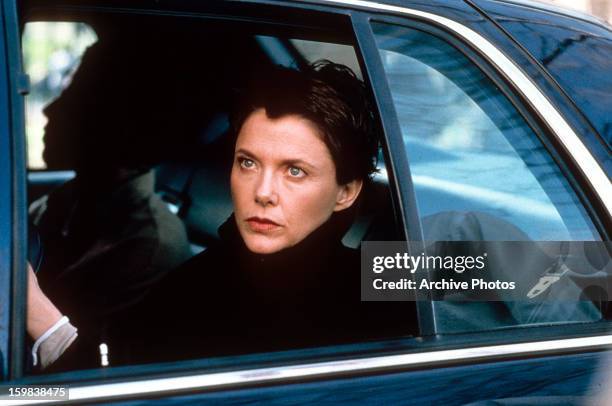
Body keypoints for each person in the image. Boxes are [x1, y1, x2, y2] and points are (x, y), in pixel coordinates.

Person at [28, 60, 416, 371]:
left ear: (345, 192)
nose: (262, 193)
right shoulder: (203, 278)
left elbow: (472, 264)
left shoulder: (380, 274)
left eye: (294, 171)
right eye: (247, 163)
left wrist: (38, 315)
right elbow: (111, 368)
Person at [27, 37, 193, 366]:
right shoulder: (66, 201)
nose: (50, 109)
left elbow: (87, 374)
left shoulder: (150, 250)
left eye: (74, 99)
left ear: (116, 121)